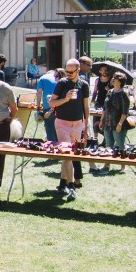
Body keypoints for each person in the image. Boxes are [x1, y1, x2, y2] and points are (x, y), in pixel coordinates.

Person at [49, 58, 89, 199]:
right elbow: (51, 102)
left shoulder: (83, 85)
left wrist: (86, 126)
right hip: (62, 123)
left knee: (71, 155)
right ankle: (71, 186)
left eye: (71, 71)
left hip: (77, 123)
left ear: (78, 70)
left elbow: (86, 107)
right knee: (67, 155)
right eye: (66, 71)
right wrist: (65, 99)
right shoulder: (62, 83)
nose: (68, 74)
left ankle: (62, 182)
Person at [100, 72, 131, 172]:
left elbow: (125, 111)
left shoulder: (124, 94)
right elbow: (105, 108)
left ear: (120, 81)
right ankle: (107, 165)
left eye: (115, 78)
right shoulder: (110, 92)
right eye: (113, 77)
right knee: (108, 145)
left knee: (120, 145)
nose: (112, 79)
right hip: (107, 122)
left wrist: (120, 124)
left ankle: (123, 165)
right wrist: (101, 120)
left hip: (118, 123)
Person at [35, 67, 60, 143]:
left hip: (48, 107)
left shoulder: (42, 78)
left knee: (50, 130)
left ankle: (52, 148)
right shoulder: (60, 78)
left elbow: (39, 92)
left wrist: (38, 106)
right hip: (60, 107)